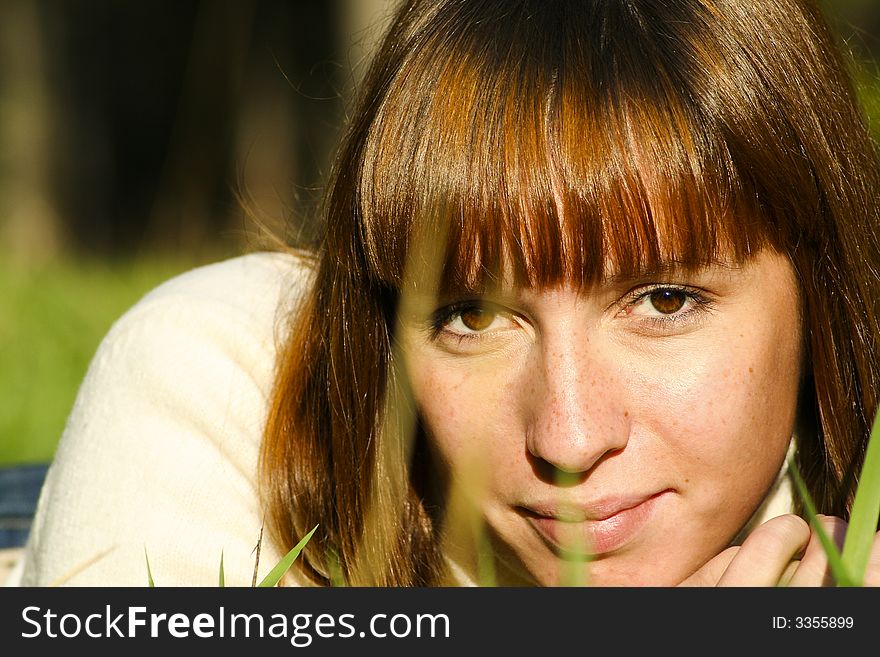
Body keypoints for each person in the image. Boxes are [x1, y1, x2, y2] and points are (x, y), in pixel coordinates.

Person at [11, 0, 880, 587]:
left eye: (663, 301)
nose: (569, 435)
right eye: (472, 315)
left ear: (825, 284)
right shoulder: (226, 380)